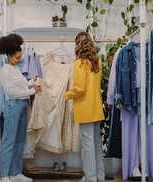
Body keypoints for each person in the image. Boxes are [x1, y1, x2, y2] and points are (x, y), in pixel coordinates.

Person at [0, 33, 42, 182]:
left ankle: (16, 173)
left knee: (20, 141)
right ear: (9, 56)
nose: (19, 60)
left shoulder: (15, 68)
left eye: (20, 57)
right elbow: (11, 91)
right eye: (17, 58)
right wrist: (31, 91)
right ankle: (4, 175)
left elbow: (20, 85)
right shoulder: (5, 70)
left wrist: (31, 82)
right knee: (9, 141)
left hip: (22, 105)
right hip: (13, 106)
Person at [64, 32, 105, 182]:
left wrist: (66, 95)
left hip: (85, 110)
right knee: (96, 145)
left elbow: (79, 89)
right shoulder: (97, 62)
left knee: (88, 147)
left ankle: (90, 178)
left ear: (77, 45)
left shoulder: (79, 63)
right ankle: (99, 177)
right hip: (96, 109)